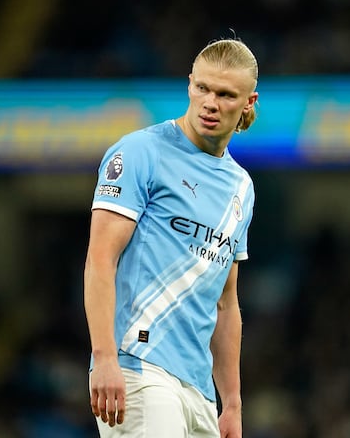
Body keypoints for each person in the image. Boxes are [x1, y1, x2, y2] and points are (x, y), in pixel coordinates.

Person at [83, 37, 259, 438]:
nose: (210, 103)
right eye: (203, 88)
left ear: (248, 102)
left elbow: (226, 302)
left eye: (226, 94)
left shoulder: (241, 188)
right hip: (139, 367)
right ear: (189, 85)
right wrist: (105, 357)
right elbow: (100, 260)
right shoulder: (140, 153)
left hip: (198, 390)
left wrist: (231, 402)